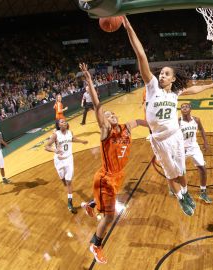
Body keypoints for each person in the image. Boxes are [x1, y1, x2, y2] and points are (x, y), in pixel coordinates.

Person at [122, 16, 213, 216]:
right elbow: (141, 56)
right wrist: (128, 27)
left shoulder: (175, 93)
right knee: (171, 174)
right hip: (159, 140)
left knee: (181, 172)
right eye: (161, 73)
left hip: (176, 136)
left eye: (166, 74)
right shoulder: (152, 88)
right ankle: (181, 197)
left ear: (173, 79)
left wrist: (210, 85)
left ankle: (185, 193)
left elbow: (193, 89)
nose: (162, 75)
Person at [79, 63, 148, 264]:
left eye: (112, 114)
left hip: (117, 176)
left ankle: (91, 205)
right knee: (109, 217)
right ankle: (95, 244)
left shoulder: (126, 128)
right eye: (107, 116)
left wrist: (154, 127)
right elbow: (98, 105)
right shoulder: (106, 132)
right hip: (105, 179)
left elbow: (140, 121)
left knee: (106, 207)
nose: (110, 116)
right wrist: (90, 82)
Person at [44, 118, 88, 213]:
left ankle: (70, 202)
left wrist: (82, 141)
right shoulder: (55, 135)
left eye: (65, 121)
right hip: (59, 160)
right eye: (62, 122)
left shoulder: (70, 132)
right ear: (59, 125)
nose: (64, 122)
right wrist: (55, 150)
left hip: (69, 158)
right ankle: (63, 180)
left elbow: (72, 139)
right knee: (62, 177)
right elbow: (46, 146)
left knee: (69, 182)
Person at [179, 103, 212, 203]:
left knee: (202, 167)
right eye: (182, 107)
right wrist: (179, 146)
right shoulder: (178, 121)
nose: (184, 108)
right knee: (179, 172)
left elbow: (201, 130)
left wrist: (206, 142)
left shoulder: (196, 120)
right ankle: (179, 190)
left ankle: (203, 192)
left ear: (190, 109)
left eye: (186, 107)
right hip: (182, 149)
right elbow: (174, 135)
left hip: (194, 147)